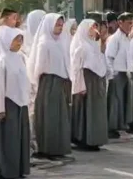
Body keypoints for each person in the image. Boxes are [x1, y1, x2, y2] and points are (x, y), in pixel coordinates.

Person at [28, 13, 71, 158]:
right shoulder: (44, 42)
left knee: (59, 116)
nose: (60, 28)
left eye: (61, 25)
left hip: (59, 83)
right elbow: (39, 67)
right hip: (48, 83)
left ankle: (58, 147)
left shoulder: (60, 41)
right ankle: (46, 148)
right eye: (57, 24)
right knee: (49, 117)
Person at [0, 27, 30, 179]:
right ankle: (6, 170)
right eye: (16, 39)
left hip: (21, 102)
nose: (19, 43)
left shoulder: (20, 58)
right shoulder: (3, 59)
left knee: (19, 138)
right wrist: (0, 108)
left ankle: (19, 168)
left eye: (21, 39)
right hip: (8, 103)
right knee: (8, 139)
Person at [69, 18, 109, 150]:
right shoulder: (81, 46)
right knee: (86, 111)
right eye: (92, 27)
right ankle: (84, 139)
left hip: (96, 82)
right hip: (86, 82)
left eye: (95, 27)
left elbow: (101, 61)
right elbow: (77, 69)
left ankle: (95, 139)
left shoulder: (93, 45)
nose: (94, 30)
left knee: (96, 112)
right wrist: (80, 86)